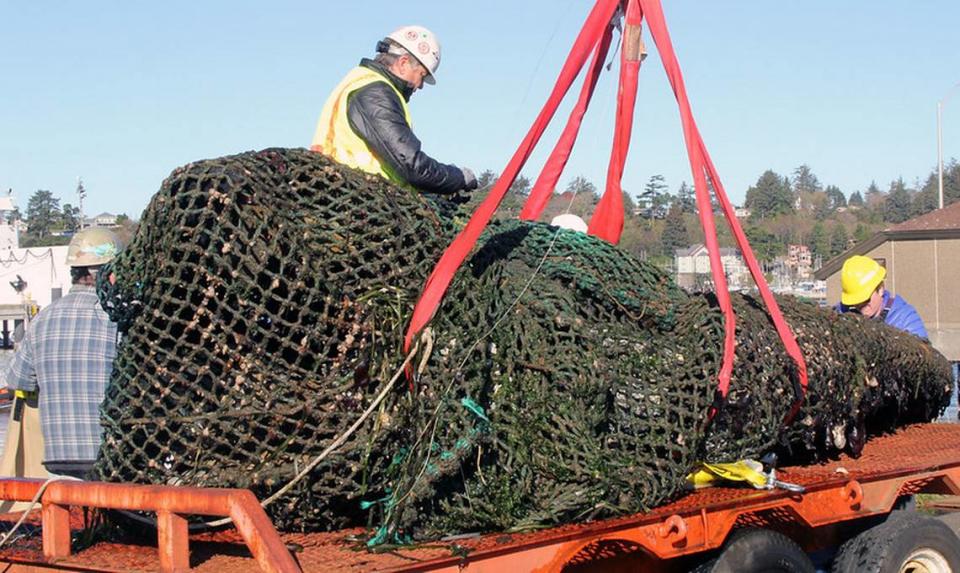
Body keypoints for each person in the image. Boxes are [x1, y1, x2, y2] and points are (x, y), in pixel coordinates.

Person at [4, 228, 123, 479]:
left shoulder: (42, 319)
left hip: (58, 461)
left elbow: (17, 380)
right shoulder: (117, 318)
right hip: (112, 458)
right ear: (108, 274)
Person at [311, 25, 478, 195]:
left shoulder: (360, 82)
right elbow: (412, 166)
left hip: (346, 196)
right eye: (421, 75)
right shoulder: (375, 93)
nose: (420, 86)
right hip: (358, 202)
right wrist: (459, 177)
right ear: (403, 63)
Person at [837, 255, 928, 340]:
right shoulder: (841, 312)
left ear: (880, 289)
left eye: (865, 300)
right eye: (855, 302)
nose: (861, 307)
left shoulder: (906, 320)